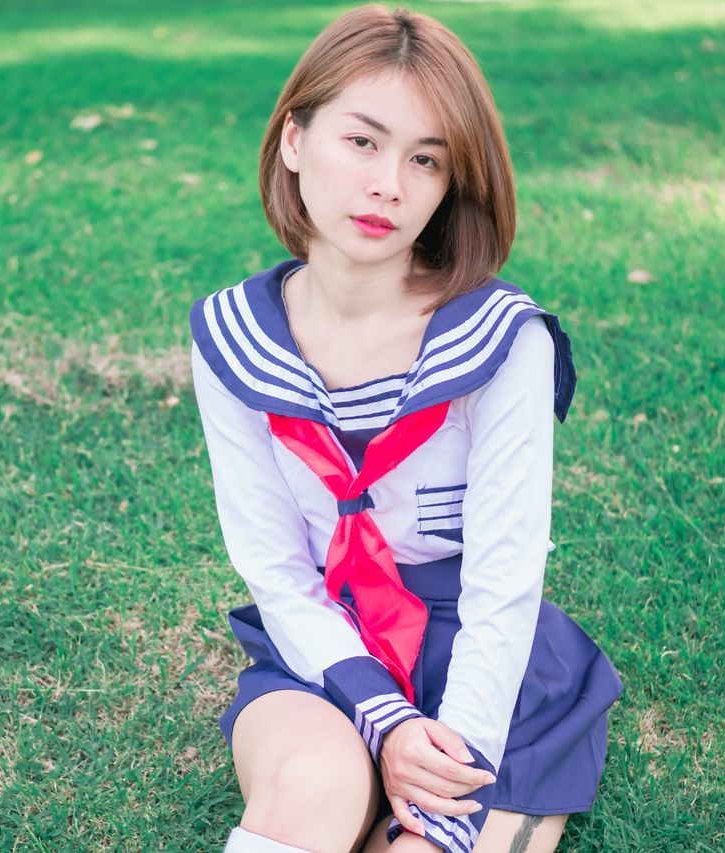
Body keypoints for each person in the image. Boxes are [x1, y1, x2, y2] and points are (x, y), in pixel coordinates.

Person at [188, 5, 624, 852]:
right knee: (310, 790)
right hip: (329, 641)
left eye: (425, 159)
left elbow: (505, 578)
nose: (389, 181)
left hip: (484, 660)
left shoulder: (502, 340)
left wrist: (442, 751)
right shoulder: (233, 337)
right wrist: (380, 717)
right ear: (292, 141)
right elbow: (276, 568)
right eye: (362, 141)